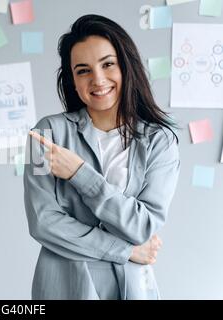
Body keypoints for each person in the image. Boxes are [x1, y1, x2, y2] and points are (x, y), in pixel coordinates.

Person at [23, 14, 180, 300]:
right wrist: (127, 250)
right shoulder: (45, 133)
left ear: (126, 66)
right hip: (63, 287)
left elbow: (143, 225)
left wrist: (79, 174)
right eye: (83, 70)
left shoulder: (161, 142)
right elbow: (44, 223)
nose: (97, 79)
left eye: (108, 64)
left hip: (131, 288)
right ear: (72, 79)